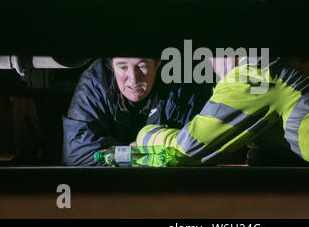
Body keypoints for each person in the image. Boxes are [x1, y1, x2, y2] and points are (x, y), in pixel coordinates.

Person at [125, 56, 309, 169]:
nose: (212, 69)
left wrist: (144, 136)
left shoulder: (252, 72)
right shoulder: (280, 72)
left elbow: (187, 150)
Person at [61, 57, 213, 166]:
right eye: (122, 67)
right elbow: (76, 153)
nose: (133, 79)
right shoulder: (95, 81)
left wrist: (120, 154)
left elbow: (196, 148)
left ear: (158, 62)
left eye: (142, 66)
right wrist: (135, 154)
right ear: (111, 65)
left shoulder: (181, 83)